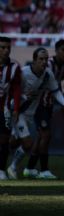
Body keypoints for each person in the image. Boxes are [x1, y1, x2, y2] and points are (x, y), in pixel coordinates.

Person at [7, 47, 64, 179]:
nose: (44, 62)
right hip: (18, 112)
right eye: (41, 59)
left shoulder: (48, 74)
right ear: (34, 60)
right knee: (28, 144)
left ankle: (12, 165)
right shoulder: (23, 73)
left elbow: (55, 90)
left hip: (30, 114)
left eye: (46, 59)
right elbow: (12, 94)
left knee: (13, 143)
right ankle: (12, 167)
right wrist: (24, 97)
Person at [0, 36, 22, 180]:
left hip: (5, 109)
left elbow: (16, 89)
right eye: (2, 48)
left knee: (4, 140)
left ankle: (1, 170)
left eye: (8, 48)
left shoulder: (14, 67)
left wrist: (16, 109)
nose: (6, 50)